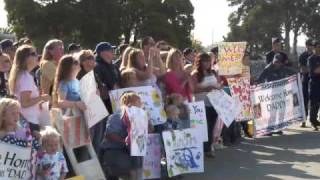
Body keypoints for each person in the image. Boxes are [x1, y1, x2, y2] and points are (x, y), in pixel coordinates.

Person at [8, 45, 50, 137]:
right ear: (25, 58)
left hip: (25, 120)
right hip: (29, 121)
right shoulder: (25, 77)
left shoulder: (21, 75)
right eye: (33, 54)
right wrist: (41, 98)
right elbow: (24, 103)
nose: (37, 56)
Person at [101, 92, 145, 180]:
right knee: (130, 169)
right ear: (130, 103)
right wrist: (125, 141)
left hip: (129, 152)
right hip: (114, 150)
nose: (141, 104)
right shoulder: (118, 116)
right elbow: (109, 134)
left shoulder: (138, 116)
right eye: (138, 102)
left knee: (138, 166)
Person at [191, 53, 223, 157]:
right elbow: (193, 90)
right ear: (199, 62)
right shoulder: (195, 74)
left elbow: (218, 84)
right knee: (204, 127)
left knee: (212, 126)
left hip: (214, 103)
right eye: (204, 61)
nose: (207, 63)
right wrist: (206, 89)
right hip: (201, 103)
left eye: (208, 61)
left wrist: (219, 87)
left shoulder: (213, 72)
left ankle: (209, 147)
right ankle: (205, 149)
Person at [94, 42, 120, 113]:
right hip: (105, 105)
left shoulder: (114, 66)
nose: (113, 52)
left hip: (117, 100)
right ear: (102, 53)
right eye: (110, 50)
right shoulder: (97, 67)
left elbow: (119, 81)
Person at [299, 39, 314, 128]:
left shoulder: (316, 55)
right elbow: (302, 69)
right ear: (306, 46)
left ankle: (313, 120)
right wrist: (312, 70)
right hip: (305, 81)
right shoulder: (302, 56)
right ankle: (303, 120)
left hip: (314, 82)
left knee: (314, 102)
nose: (310, 47)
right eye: (309, 45)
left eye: (311, 45)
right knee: (304, 101)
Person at [307, 40, 320, 131]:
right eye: (318, 47)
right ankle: (312, 121)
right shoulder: (311, 59)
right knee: (314, 103)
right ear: (314, 48)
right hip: (314, 84)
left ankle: (316, 120)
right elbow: (315, 71)